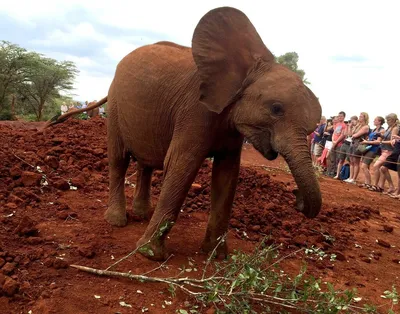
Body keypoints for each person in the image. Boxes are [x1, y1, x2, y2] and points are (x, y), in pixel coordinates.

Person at [369, 113, 399, 192]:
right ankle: (381, 186)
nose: (387, 121)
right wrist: (380, 135)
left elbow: (392, 141)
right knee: (383, 168)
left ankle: (376, 185)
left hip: (389, 151)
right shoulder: (389, 127)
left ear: (393, 120)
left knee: (377, 166)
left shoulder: (395, 128)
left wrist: (382, 142)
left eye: (388, 120)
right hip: (384, 151)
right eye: (387, 120)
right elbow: (387, 137)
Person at [359, 116, 385, 189]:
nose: (374, 121)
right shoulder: (374, 129)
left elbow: (378, 142)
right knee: (365, 166)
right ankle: (367, 182)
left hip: (373, 149)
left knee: (364, 166)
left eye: (375, 120)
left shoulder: (382, 130)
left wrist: (366, 141)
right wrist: (366, 141)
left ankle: (368, 183)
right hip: (368, 148)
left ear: (379, 122)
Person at [344, 112, 370, 184]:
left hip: (359, 145)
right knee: (351, 161)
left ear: (365, 118)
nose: (359, 117)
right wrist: (350, 126)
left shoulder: (366, 127)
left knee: (356, 162)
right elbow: (350, 134)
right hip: (352, 144)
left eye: (361, 116)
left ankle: (354, 179)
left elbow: (355, 135)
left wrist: (353, 132)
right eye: (359, 116)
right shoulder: (358, 125)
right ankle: (350, 177)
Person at [330, 112, 347, 179]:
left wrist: (336, 142)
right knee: (332, 158)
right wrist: (333, 141)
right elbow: (334, 133)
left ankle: (336, 172)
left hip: (339, 144)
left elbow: (342, 135)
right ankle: (332, 171)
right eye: (339, 116)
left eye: (341, 116)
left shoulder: (344, 125)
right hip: (334, 142)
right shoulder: (337, 124)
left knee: (338, 158)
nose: (339, 117)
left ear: (344, 117)